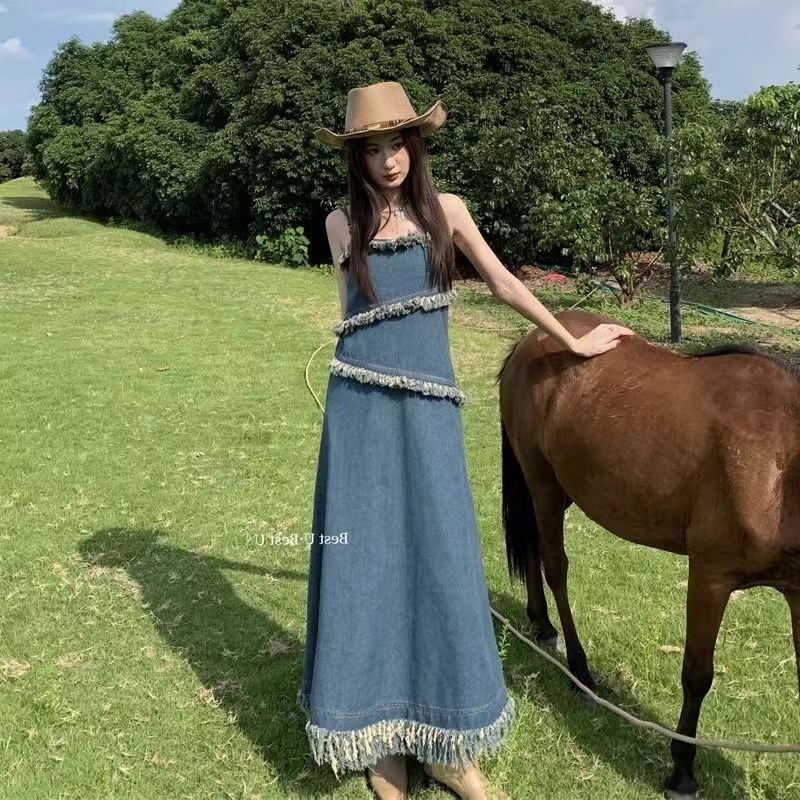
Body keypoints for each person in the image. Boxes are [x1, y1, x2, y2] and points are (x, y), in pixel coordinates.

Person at [297, 81, 634, 800]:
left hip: (430, 415)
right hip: (359, 412)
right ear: (356, 158)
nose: (388, 161)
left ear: (415, 146)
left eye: (398, 145)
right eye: (372, 150)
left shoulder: (446, 212)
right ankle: (380, 743)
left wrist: (572, 340)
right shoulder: (339, 224)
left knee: (442, 559)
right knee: (365, 563)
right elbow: (349, 313)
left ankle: (449, 747)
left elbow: (505, 283)